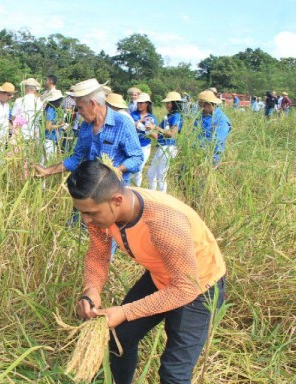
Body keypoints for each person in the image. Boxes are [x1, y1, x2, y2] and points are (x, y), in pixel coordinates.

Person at [70, 159, 226, 384]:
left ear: (116, 200)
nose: (86, 220)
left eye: (91, 213)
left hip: (199, 288)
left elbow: (184, 288)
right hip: (161, 276)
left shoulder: (164, 222)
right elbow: (98, 254)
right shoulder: (100, 211)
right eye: (82, 212)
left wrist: (124, 312)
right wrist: (91, 290)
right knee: (119, 338)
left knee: (174, 373)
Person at [33, 78, 143, 186]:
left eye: (80, 108)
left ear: (93, 104)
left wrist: (116, 170)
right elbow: (77, 158)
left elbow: (137, 158)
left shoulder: (122, 123)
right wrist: (47, 171)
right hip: (91, 187)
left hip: (114, 188)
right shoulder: (86, 126)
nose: (79, 112)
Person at [146, 91, 183, 193]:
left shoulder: (177, 116)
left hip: (168, 147)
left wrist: (155, 127)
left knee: (161, 175)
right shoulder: (169, 115)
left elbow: (171, 134)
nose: (167, 105)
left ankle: (162, 199)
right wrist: (149, 131)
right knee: (150, 173)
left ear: (175, 103)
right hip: (162, 146)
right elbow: (161, 134)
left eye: (169, 103)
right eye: (166, 103)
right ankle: (152, 196)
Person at [195, 90, 231, 167]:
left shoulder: (221, 120)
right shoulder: (201, 116)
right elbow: (193, 132)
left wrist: (200, 146)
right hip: (196, 155)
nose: (201, 108)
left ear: (211, 104)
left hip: (212, 157)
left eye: (203, 106)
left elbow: (216, 140)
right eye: (200, 105)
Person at [130, 93, 157, 187]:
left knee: (139, 168)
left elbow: (156, 136)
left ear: (147, 104)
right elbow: (129, 126)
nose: (139, 105)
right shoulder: (133, 115)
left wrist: (149, 130)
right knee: (130, 168)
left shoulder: (152, 118)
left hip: (145, 146)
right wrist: (140, 122)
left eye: (142, 103)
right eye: (138, 103)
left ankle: (136, 189)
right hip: (132, 145)